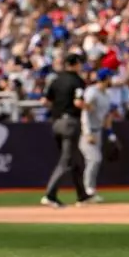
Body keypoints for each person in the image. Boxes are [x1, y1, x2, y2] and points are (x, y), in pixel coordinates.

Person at [42, 51, 87, 207]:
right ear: (75, 64)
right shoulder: (77, 81)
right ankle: (50, 195)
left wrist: (58, 106)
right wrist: (90, 107)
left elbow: (44, 101)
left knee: (78, 160)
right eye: (79, 63)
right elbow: (78, 103)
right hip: (70, 123)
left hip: (56, 123)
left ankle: (82, 196)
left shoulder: (55, 80)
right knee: (66, 161)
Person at [78, 68, 112, 205]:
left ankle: (89, 190)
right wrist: (87, 133)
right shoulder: (92, 92)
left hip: (98, 130)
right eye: (109, 77)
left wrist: (110, 134)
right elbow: (85, 112)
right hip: (89, 131)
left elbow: (105, 115)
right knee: (94, 159)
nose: (111, 80)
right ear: (105, 78)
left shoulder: (106, 94)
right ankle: (88, 191)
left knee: (93, 161)